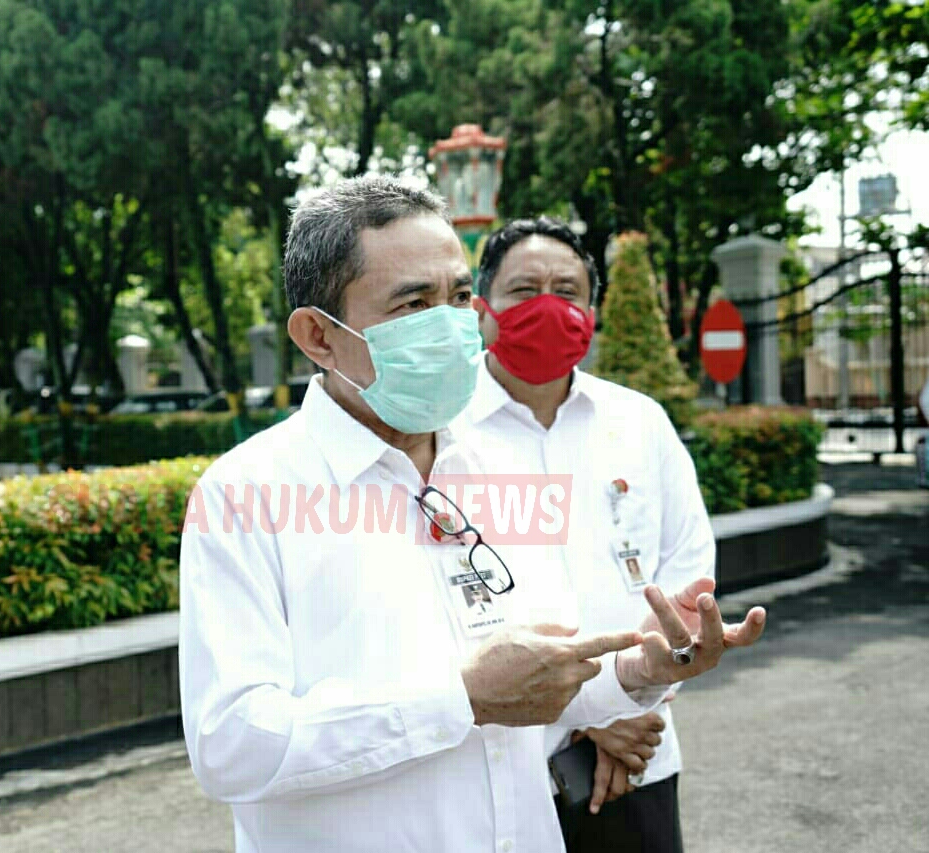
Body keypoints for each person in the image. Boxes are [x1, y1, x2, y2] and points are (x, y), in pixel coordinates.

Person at [178, 176, 765, 853]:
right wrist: (460, 698)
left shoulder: (500, 465)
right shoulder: (244, 496)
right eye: (413, 303)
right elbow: (231, 744)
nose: (450, 325)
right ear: (319, 336)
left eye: (458, 297)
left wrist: (637, 673)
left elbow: (541, 676)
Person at [453, 217, 718, 853]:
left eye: (567, 291)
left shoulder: (640, 421)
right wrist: (585, 714)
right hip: (504, 765)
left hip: (639, 753)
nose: (547, 305)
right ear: (482, 310)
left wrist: (632, 698)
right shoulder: (444, 435)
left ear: (591, 314)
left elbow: (688, 571)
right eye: (525, 290)